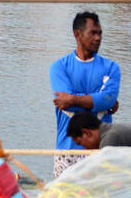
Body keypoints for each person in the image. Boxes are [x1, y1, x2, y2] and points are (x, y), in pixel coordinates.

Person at [49, 11, 120, 177]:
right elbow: (65, 104)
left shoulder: (111, 67)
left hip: (100, 150)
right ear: (77, 34)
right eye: (92, 33)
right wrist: (97, 101)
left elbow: (107, 99)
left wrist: (74, 98)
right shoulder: (59, 67)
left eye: (100, 33)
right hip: (67, 151)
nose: (98, 38)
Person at [67, 112, 131, 150]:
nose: (85, 149)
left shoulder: (110, 138)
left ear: (87, 133)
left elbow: (104, 173)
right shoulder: (112, 131)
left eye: (81, 143)